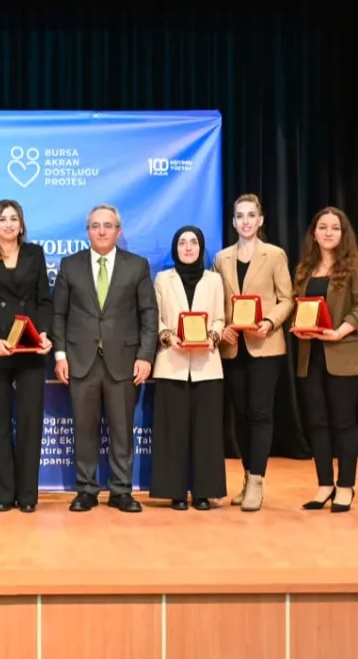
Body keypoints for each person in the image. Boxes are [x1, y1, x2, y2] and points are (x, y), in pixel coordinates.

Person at [53, 204, 158, 513]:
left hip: (123, 362)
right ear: (87, 231)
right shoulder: (70, 265)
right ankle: (86, 490)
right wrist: (60, 355)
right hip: (80, 361)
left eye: (107, 226)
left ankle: (121, 490)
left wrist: (145, 356)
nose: (101, 231)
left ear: (118, 231)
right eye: (95, 226)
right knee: (84, 430)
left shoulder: (136, 266)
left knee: (122, 430)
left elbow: (149, 315)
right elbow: (58, 315)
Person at [0, 199, 53, 513]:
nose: (8, 224)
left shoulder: (35, 254)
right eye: (2, 219)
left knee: (31, 424)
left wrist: (44, 334)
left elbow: (44, 300)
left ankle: (28, 495)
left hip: (30, 348)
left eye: (13, 218)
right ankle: (3, 494)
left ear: (21, 224)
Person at [214, 194, 295, 511]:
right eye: (240, 216)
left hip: (265, 345)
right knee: (241, 415)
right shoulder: (221, 258)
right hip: (233, 346)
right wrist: (222, 327)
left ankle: (258, 481)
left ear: (260, 220)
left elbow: (287, 299)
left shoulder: (274, 255)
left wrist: (270, 322)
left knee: (261, 413)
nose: (245, 221)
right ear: (233, 222)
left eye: (251, 215)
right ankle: (247, 477)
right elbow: (218, 301)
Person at [292, 207, 358, 513]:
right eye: (322, 227)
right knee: (317, 422)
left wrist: (340, 331)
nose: (328, 233)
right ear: (314, 233)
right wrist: (299, 327)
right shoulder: (305, 268)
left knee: (344, 423)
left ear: (343, 233)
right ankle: (325, 484)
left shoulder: (356, 264)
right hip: (310, 355)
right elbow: (299, 306)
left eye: (335, 228)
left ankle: (346, 486)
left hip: (344, 354)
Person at [151, 226, 226, 510]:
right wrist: (168, 337)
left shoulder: (214, 280)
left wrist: (213, 337)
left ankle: (204, 492)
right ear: (175, 248)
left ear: (201, 247)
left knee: (206, 432)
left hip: (207, 365)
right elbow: (155, 318)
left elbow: (220, 318)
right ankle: (176, 492)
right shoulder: (163, 279)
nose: (188, 247)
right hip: (172, 362)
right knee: (173, 432)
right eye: (182, 242)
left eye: (194, 242)